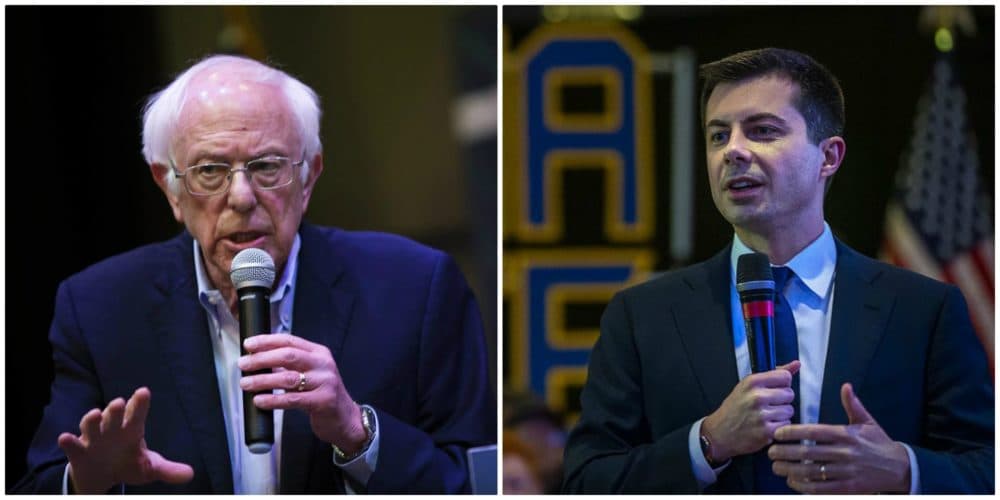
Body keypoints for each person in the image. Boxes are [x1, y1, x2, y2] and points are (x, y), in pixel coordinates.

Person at [12, 54, 495, 494]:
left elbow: (475, 483)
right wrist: (87, 483)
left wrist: (357, 432)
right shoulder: (100, 308)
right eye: (210, 171)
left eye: (266, 166)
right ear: (170, 188)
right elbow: (40, 482)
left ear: (309, 178)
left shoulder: (417, 289)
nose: (241, 197)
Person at [562, 48, 993, 494]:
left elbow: (986, 468)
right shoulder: (642, 316)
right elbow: (586, 479)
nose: (732, 151)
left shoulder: (922, 309)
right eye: (717, 136)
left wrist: (904, 470)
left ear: (828, 156)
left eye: (762, 131)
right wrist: (707, 442)